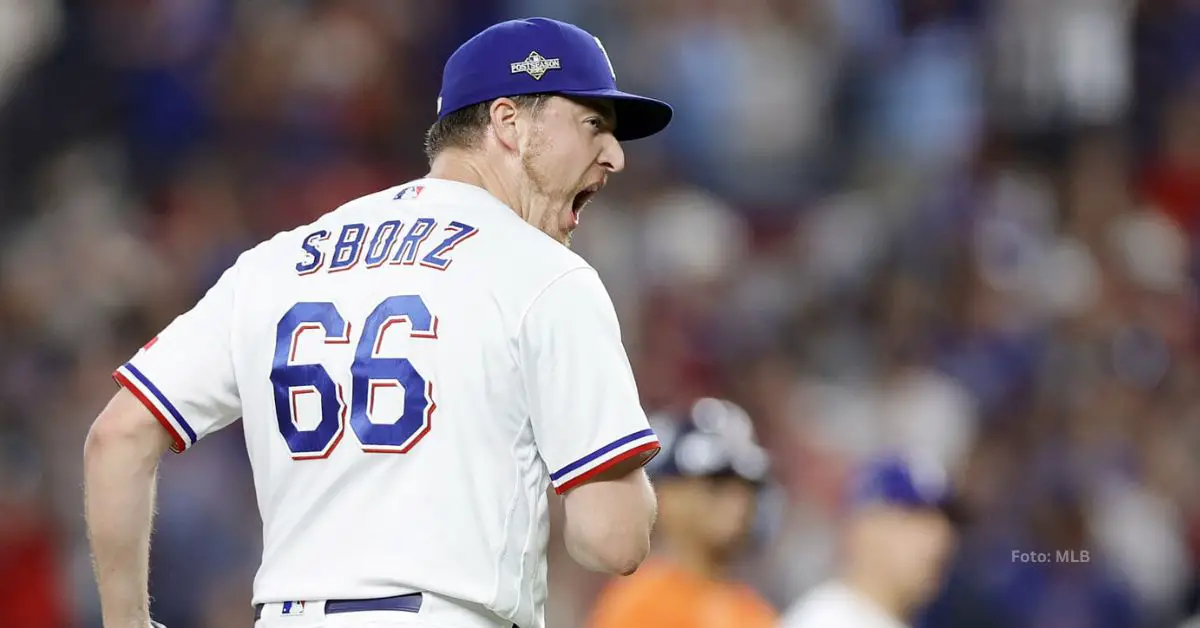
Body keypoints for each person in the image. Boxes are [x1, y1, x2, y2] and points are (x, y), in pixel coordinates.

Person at [83, 16, 673, 628]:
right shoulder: (545, 275)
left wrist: (126, 621)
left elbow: (116, 438)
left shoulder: (277, 261)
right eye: (592, 124)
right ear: (508, 123)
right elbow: (612, 540)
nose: (615, 155)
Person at [586, 397, 779, 628]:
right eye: (717, 482)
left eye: (747, 486)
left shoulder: (754, 611)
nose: (738, 501)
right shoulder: (641, 605)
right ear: (664, 494)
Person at [779, 455, 960, 628]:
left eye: (946, 522)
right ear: (862, 527)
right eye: (913, 518)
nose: (938, 539)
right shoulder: (824, 621)